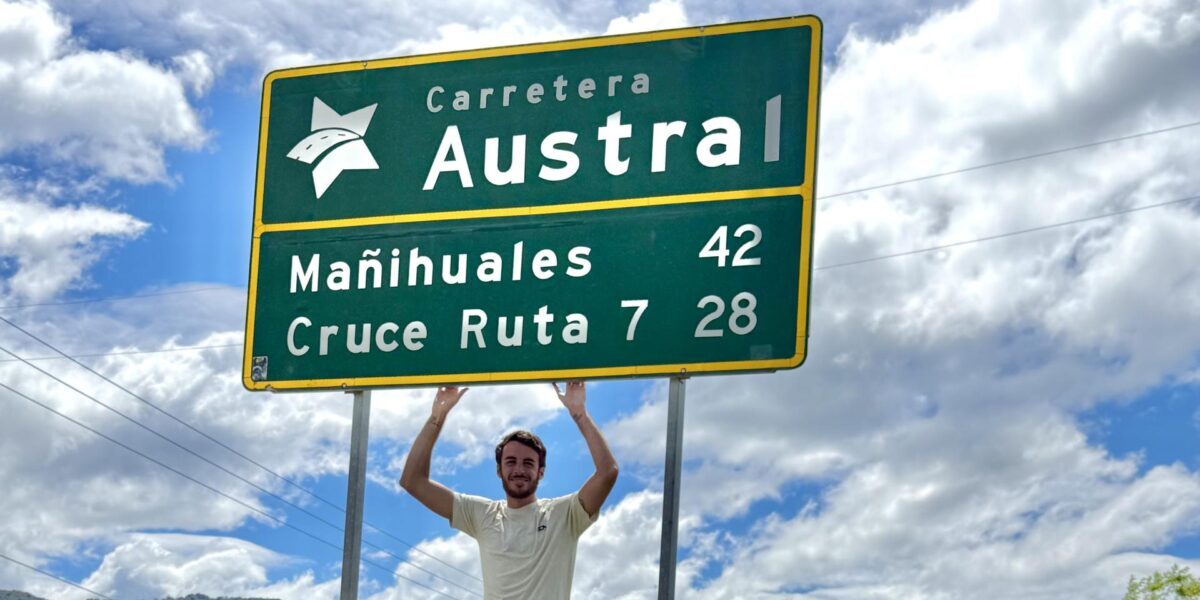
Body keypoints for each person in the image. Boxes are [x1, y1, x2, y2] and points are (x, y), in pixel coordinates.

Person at [399, 381, 619, 599]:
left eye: (528, 463)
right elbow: (412, 481)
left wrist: (580, 415)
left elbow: (607, 472)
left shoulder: (565, 515)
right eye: (511, 462)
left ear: (541, 472)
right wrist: (437, 417)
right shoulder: (482, 514)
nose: (519, 470)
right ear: (499, 470)